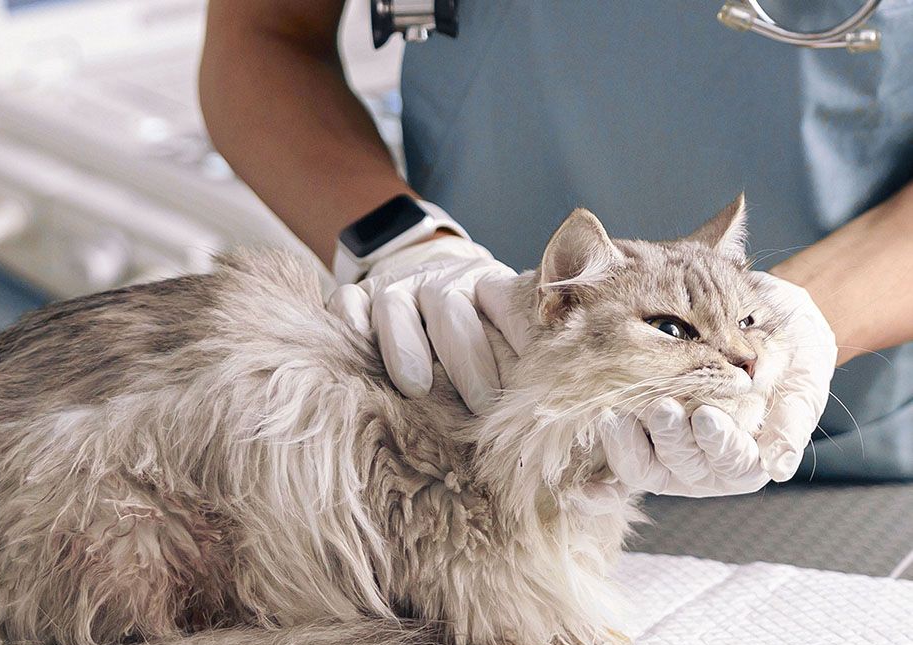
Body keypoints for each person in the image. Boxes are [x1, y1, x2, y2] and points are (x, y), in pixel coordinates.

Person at [199, 0, 913, 493]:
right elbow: (266, 35)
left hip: (838, 455)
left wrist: (804, 322)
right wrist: (403, 244)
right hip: (469, 425)